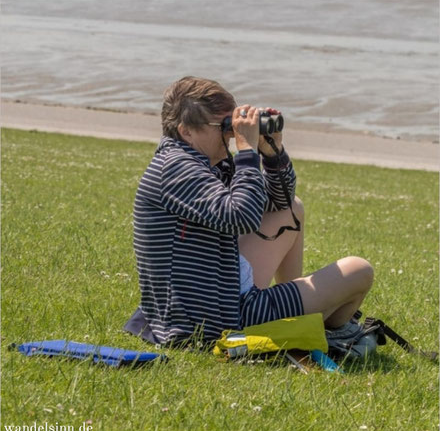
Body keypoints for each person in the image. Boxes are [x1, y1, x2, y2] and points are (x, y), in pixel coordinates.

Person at [124, 76, 374, 347]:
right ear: (186, 131)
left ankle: (297, 309)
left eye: (231, 125)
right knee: (359, 270)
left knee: (293, 209)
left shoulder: (201, 162)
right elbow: (242, 217)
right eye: (223, 126)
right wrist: (247, 154)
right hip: (215, 320)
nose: (231, 135)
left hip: (222, 291)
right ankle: (317, 325)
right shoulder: (176, 168)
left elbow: (281, 202)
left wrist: (272, 153)